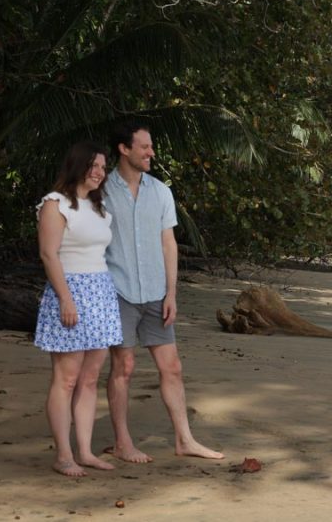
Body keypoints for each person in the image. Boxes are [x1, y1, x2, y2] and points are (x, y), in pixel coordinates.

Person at [103, 121, 223, 462]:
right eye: (144, 147)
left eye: (151, 146)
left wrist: (172, 293)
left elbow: (169, 244)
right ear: (124, 149)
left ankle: (184, 439)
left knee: (172, 368)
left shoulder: (160, 191)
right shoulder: (103, 190)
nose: (151, 152)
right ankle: (123, 442)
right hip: (118, 291)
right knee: (122, 368)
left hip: (157, 293)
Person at [35, 141, 123, 476]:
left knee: (89, 379)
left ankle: (85, 451)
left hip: (100, 292)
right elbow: (48, 254)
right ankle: (64, 454)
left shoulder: (100, 209)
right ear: (77, 166)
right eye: (94, 166)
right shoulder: (55, 204)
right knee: (66, 378)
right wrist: (66, 299)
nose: (100, 172)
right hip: (69, 290)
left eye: (103, 166)